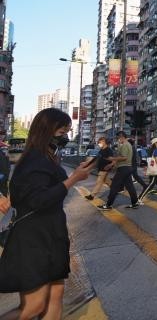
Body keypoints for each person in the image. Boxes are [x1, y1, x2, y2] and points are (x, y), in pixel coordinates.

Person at [0, 108, 92, 318]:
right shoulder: (35, 159)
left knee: (55, 297)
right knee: (33, 306)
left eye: (67, 132)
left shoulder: (46, 158)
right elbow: (39, 200)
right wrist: (74, 178)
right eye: (61, 133)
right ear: (46, 131)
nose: (65, 137)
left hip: (51, 235)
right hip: (35, 239)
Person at [97, 131, 140, 210]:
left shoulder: (125, 145)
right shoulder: (128, 145)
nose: (117, 140)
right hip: (128, 168)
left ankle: (108, 205)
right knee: (130, 186)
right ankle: (135, 202)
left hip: (123, 168)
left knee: (114, 185)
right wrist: (112, 164)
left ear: (121, 137)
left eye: (118, 138)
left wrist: (112, 159)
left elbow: (124, 157)